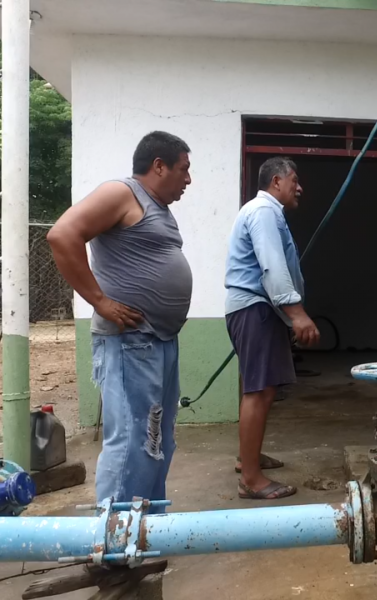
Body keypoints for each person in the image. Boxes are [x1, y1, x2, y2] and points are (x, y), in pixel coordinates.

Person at [48, 131, 193, 513]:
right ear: (158, 166)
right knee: (131, 438)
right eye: (184, 169)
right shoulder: (121, 193)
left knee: (156, 437)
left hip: (158, 341)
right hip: (131, 341)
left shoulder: (157, 207)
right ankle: (114, 544)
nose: (188, 180)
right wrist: (100, 301)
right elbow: (62, 235)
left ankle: (147, 526)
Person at [225, 156, 319, 500]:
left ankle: (248, 459)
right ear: (276, 181)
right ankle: (251, 478)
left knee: (260, 389)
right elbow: (272, 267)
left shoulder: (264, 212)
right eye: (294, 180)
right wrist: (297, 314)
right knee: (259, 390)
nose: (299, 188)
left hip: (256, 310)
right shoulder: (263, 211)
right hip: (255, 309)